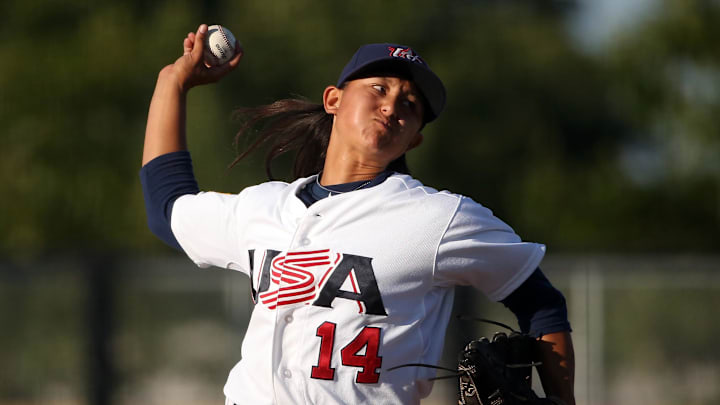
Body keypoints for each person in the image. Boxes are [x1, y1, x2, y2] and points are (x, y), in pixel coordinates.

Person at [141, 24, 575, 405]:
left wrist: (561, 400)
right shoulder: (264, 207)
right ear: (333, 99)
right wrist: (171, 81)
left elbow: (540, 302)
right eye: (380, 89)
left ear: (414, 142)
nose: (392, 107)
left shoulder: (438, 218)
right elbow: (167, 210)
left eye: (410, 106)